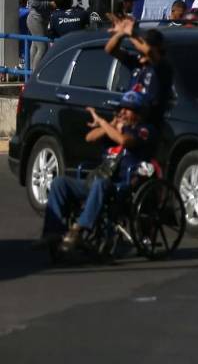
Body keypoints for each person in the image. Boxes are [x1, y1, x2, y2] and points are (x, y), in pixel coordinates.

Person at [38, 91, 157, 253]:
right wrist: (109, 124)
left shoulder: (144, 130)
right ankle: (52, 232)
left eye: (127, 109)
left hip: (121, 183)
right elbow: (90, 137)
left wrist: (104, 123)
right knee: (60, 182)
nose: (122, 112)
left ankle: (79, 229)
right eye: (121, 109)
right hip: (98, 178)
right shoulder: (113, 129)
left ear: (137, 113)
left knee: (100, 184)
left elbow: (124, 141)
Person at [104, 16, 173, 121]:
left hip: (151, 120)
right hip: (133, 118)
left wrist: (131, 34)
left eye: (143, 44)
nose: (139, 48)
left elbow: (148, 51)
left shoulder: (162, 65)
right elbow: (110, 49)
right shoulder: (137, 63)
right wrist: (121, 34)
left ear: (157, 48)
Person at [26, 0, 57, 70]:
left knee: (35, 46)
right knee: (43, 47)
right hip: (35, 19)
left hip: (44, 18)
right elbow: (33, 2)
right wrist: (49, 4)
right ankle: (34, 75)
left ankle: (30, 72)